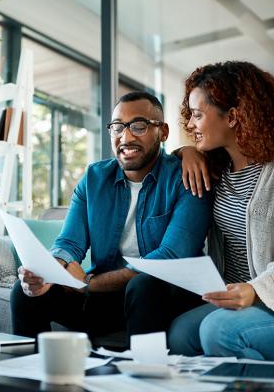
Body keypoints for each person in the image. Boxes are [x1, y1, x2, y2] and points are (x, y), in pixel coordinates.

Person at [11, 91, 211, 344]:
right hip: (106, 299)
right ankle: (29, 376)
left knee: (145, 286)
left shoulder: (186, 177)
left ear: (163, 132)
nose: (125, 137)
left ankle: (144, 377)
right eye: (117, 127)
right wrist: (48, 271)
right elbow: (69, 244)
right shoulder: (95, 178)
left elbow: (169, 259)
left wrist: (87, 283)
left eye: (139, 126)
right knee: (25, 292)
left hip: (162, 295)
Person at [168, 61, 274, 360]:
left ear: (233, 116)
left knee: (219, 331)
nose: (190, 125)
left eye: (197, 115)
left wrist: (255, 290)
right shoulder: (218, 169)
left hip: (267, 299)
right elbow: (171, 157)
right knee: (180, 333)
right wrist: (185, 151)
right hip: (237, 300)